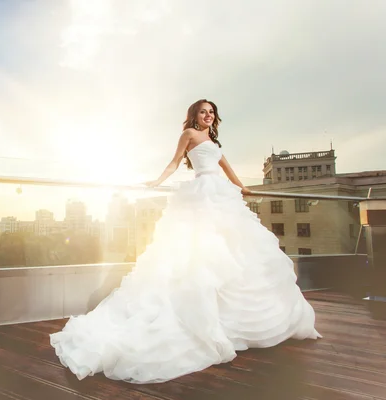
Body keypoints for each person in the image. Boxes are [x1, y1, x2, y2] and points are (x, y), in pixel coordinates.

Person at [50, 99, 321, 384]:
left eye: (211, 112)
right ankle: (205, 316)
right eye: (203, 111)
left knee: (235, 251)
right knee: (201, 253)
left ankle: (231, 319)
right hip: (201, 194)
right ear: (194, 115)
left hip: (221, 195)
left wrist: (243, 188)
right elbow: (175, 161)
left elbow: (227, 169)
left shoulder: (214, 141)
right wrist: (157, 181)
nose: (208, 115)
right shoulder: (189, 135)